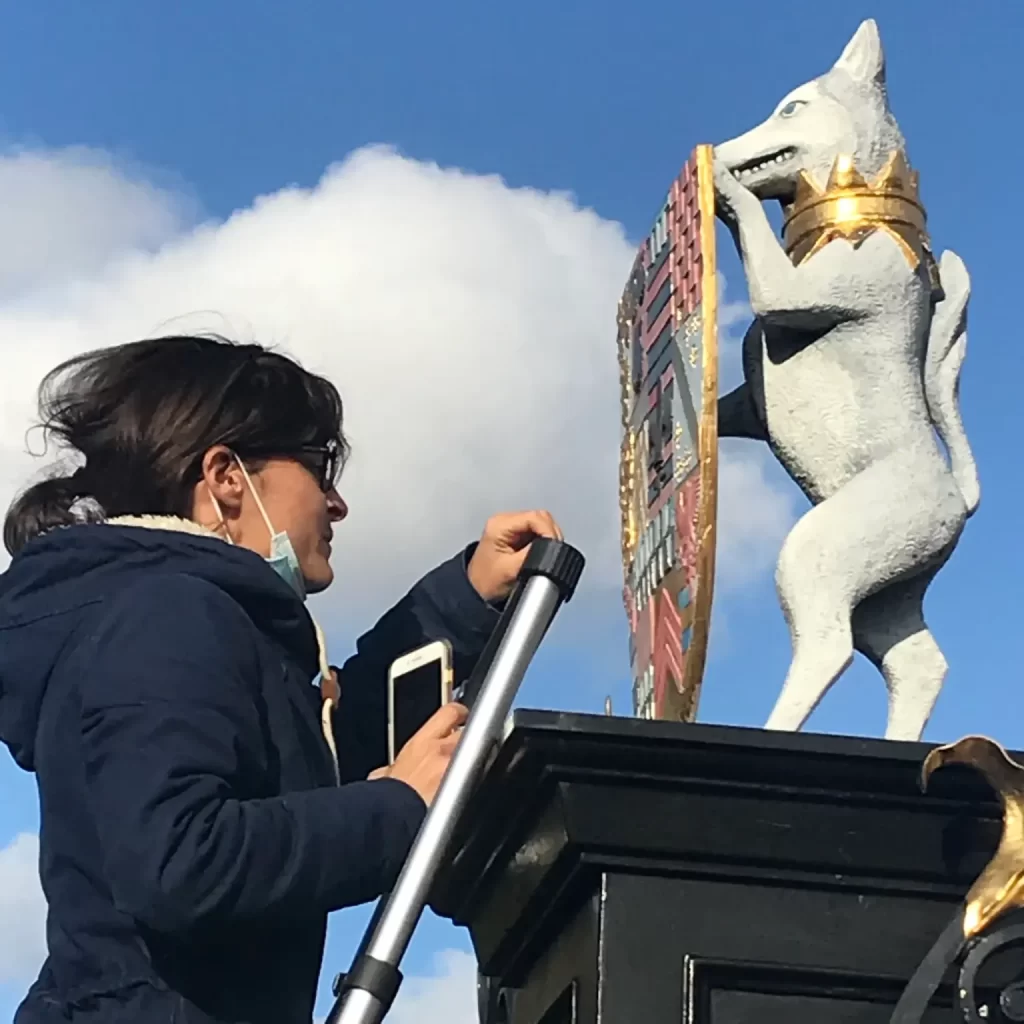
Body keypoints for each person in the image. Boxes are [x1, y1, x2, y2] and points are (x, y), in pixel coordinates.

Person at [0, 334, 562, 1024]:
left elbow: (314, 760)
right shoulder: (173, 610)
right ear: (227, 477)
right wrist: (400, 805)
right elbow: (179, 862)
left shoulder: (168, 609)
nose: (336, 503)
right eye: (320, 466)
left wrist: (467, 596)